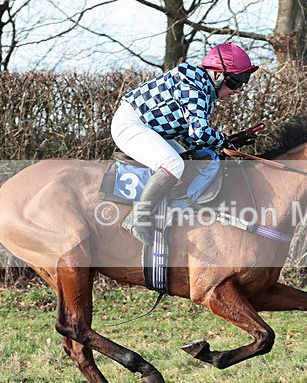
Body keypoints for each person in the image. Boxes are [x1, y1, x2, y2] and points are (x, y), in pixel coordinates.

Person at [111, 41, 259, 244]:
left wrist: (224, 146)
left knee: (198, 162)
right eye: (234, 82)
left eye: (243, 83)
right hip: (131, 124)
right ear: (217, 75)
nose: (238, 90)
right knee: (174, 164)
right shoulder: (192, 83)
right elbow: (199, 132)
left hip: (154, 130)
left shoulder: (205, 89)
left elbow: (192, 136)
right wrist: (225, 140)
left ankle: (173, 212)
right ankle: (138, 218)